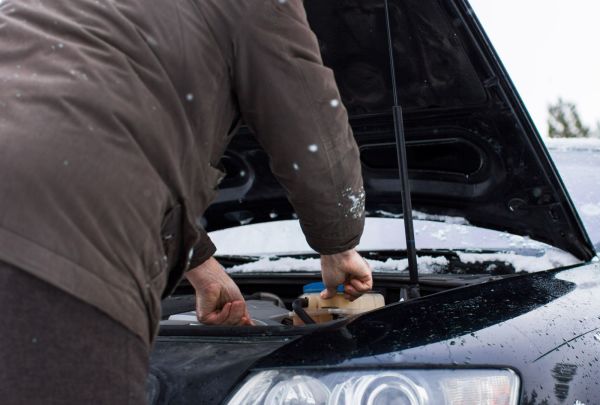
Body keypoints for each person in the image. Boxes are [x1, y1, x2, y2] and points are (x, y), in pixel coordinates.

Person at [0, 0, 372, 403]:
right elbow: (311, 130)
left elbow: (97, 120)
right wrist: (339, 244)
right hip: (53, 243)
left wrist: (200, 266)